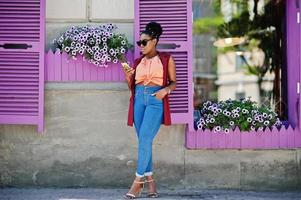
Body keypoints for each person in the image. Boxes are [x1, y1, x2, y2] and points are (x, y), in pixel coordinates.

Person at [122, 21, 176, 199]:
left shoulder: (166, 59)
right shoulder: (138, 62)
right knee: (144, 142)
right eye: (139, 43)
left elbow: (174, 82)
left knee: (145, 138)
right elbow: (132, 85)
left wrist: (165, 90)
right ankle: (151, 183)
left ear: (155, 41)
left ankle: (138, 183)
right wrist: (128, 76)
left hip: (154, 101)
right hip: (138, 100)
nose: (141, 46)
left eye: (144, 42)